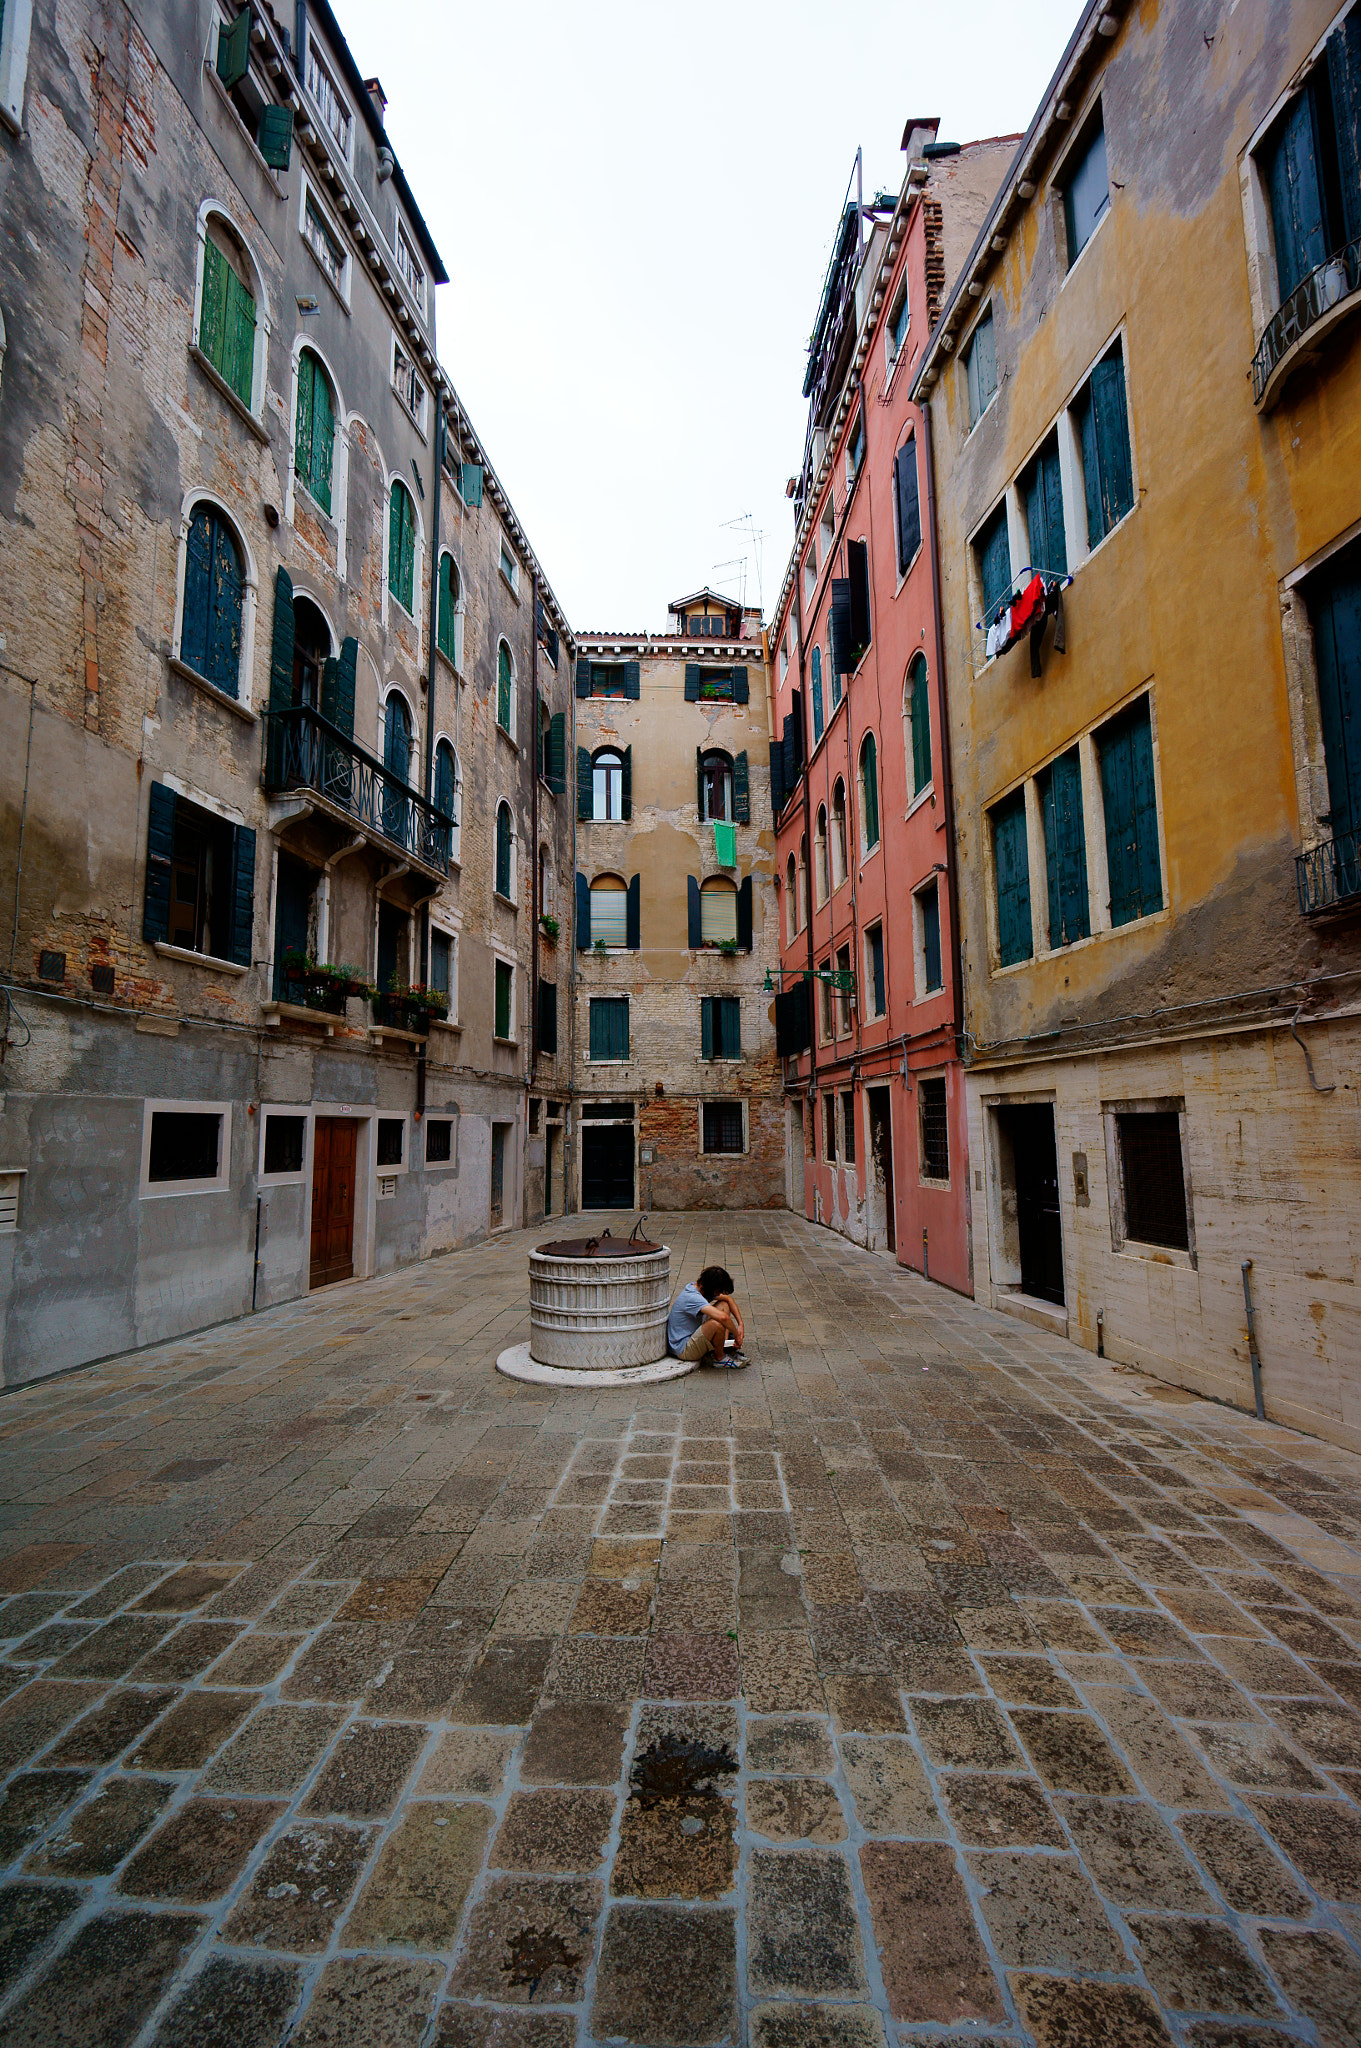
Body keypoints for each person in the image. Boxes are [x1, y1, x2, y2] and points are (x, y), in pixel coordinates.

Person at [667, 1263, 746, 1367]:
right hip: (683, 1349)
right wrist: (737, 1336)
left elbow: (728, 1299)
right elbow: (723, 1318)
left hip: (692, 1336)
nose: (718, 1295)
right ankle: (719, 1358)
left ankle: (724, 1348)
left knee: (723, 1304)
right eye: (717, 1292)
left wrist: (741, 1324)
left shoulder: (700, 1288)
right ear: (711, 1288)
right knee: (716, 1324)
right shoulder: (692, 1297)